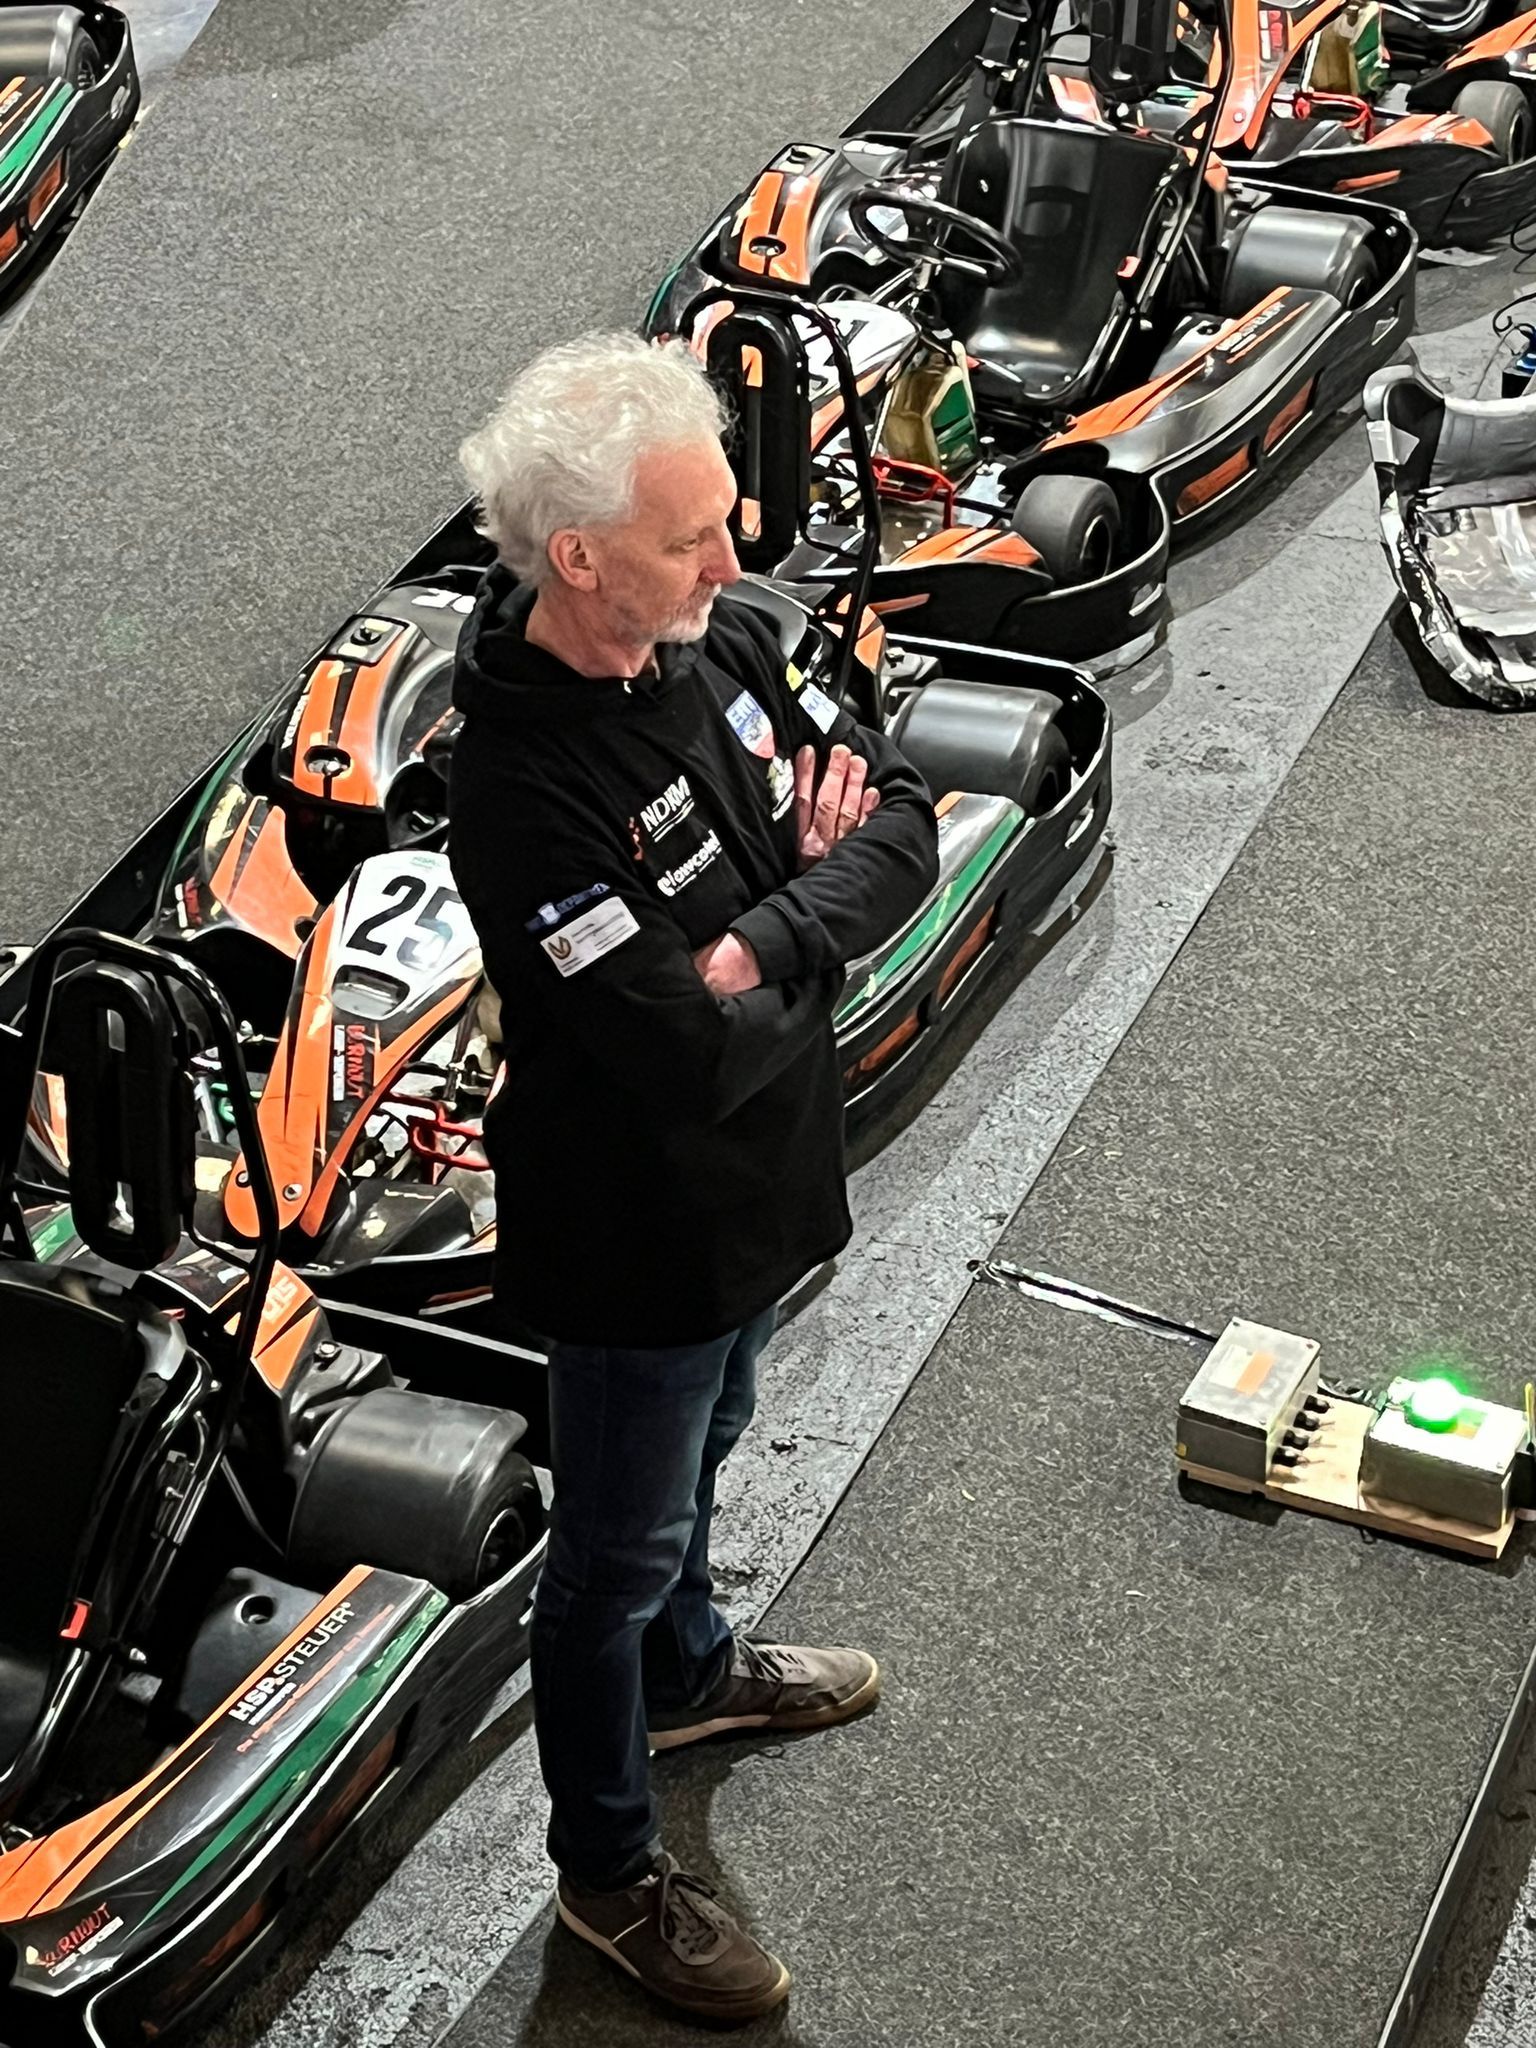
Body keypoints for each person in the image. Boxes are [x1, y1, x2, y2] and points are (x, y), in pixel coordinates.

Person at [448, 331, 939, 2023]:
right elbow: (676, 1054)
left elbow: (904, 823)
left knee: (718, 1433)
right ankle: (607, 1874)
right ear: (578, 558)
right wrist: (804, 910)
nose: (736, 561)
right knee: (610, 1553)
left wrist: (761, 939)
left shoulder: (718, 636)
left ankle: (694, 1673)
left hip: (762, 1184)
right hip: (635, 1232)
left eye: (725, 520)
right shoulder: (521, 790)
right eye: (692, 537)